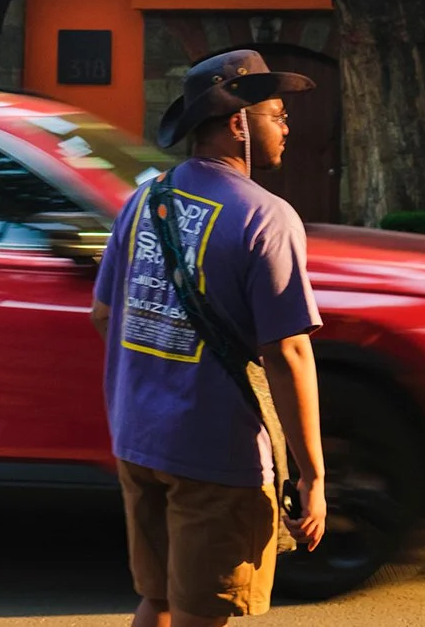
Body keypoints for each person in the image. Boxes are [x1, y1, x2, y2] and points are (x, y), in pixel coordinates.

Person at [90, 49, 329, 627]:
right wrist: (313, 476)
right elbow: (288, 351)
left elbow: (104, 314)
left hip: (138, 439)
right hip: (216, 456)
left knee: (158, 599)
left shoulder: (145, 200)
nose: (286, 128)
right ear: (238, 122)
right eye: (277, 115)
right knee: (202, 611)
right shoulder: (266, 217)